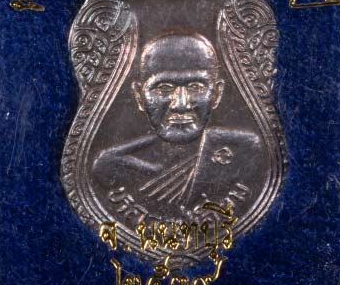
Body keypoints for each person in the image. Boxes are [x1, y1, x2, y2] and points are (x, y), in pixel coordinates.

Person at [92, 31, 267, 219]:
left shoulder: (245, 153)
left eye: (196, 87)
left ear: (216, 94)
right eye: (164, 88)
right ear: (139, 96)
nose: (181, 105)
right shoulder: (113, 167)